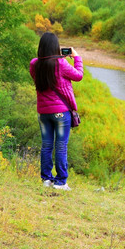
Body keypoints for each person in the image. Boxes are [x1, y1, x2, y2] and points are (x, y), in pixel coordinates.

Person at [30, 32, 83, 191]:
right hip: (61, 113)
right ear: (55, 47)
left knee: (46, 145)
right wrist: (77, 57)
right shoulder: (61, 64)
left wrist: (60, 61)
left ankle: (46, 179)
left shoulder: (34, 64)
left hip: (43, 113)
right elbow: (78, 76)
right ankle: (60, 182)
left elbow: (47, 72)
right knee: (61, 146)